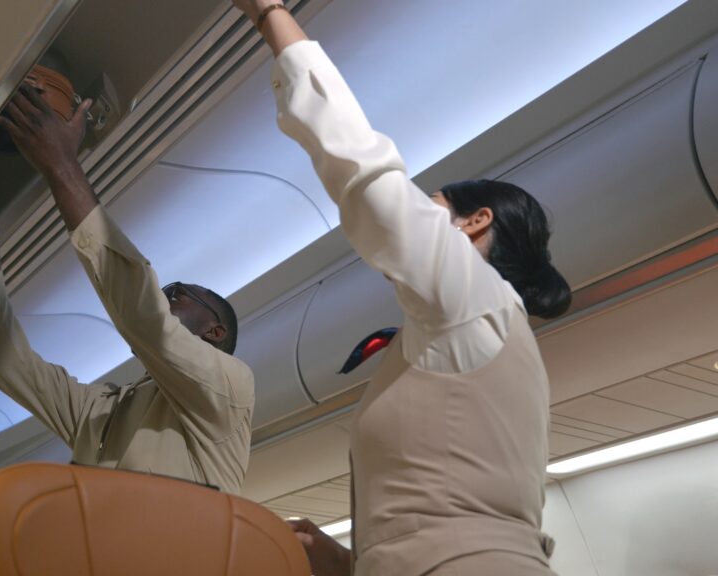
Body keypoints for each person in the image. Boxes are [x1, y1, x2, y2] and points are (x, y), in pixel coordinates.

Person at [232, 1, 571, 574]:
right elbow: (448, 521)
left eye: (432, 205)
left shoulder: (474, 297)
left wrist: (269, 14)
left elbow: (369, 180)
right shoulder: (486, 336)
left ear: (475, 221)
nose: (420, 213)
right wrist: (343, 559)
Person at [0, 82, 254, 494]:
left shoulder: (230, 388)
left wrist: (62, 165)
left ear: (215, 331)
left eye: (176, 293)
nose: (165, 298)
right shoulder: (105, 412)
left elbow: (145, 318)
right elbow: (5, 360)